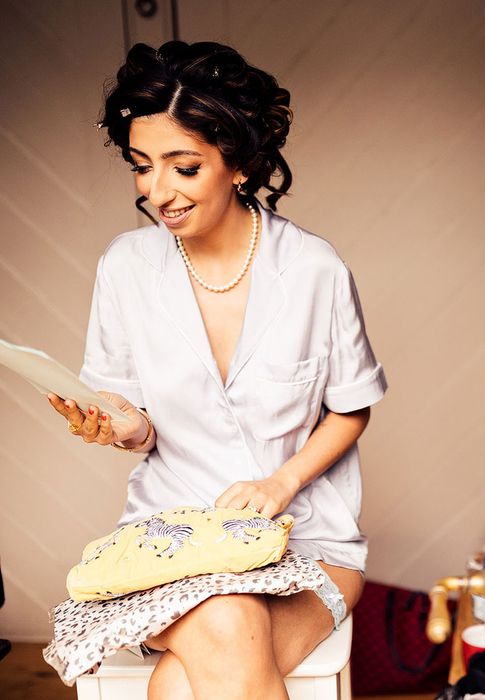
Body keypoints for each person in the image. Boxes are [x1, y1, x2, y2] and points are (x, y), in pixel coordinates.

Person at [46, 40, 387, 699]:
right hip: (169, 544)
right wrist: (113, 426)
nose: (158, 191)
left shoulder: (315, 271)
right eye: (143, 167)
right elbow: (139, 427)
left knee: (188, 675)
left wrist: (281, 483)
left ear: (239, 163)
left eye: (184, 167)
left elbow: (352, 408)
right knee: (225, 625)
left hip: (308, 543)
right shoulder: (126, 266)